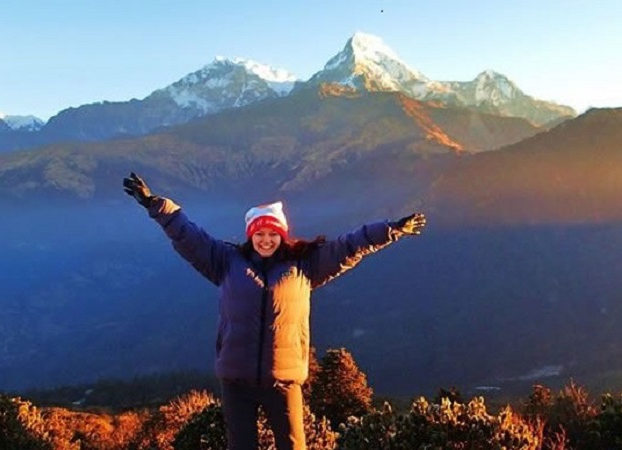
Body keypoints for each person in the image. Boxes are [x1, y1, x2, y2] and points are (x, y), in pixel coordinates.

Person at [122, 172, 427, 450]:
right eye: (259, 234)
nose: (266, 240)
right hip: (236, 380)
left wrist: (390, 230)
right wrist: (155, 204)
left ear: (282, 235)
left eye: (272, 234)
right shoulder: (225, 261)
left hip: (283, 380)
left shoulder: (305, 265)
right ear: (250, 235)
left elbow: (349, 246)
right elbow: (188, 236)